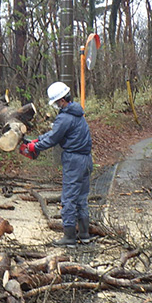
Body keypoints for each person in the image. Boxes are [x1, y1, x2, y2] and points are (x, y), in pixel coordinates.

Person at [21, 82, 94, 247]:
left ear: (61, 100)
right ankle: (84, 235)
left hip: (74, 161)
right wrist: (37, 139)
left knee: (68, 198)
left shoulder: (65, 117)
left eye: (55, 103)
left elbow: (54, 139)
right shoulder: (76, 113)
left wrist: (35, 146)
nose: (55, 106)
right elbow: (55, 132)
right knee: (81, 198)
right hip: (86, 160)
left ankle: (69, 237)